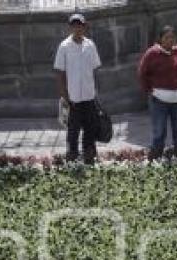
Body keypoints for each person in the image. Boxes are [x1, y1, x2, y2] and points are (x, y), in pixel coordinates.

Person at [54, 13, 102, 164]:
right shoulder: (64, 47)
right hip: (72, 97)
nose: (77, 28)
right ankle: (72, 156)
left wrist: (95, 91)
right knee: (73, 130)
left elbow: (95, 69)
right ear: (70, 27)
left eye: (80, 25)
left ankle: (89, 155)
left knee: (90, 127)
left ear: (84, 26)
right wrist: (64, 95)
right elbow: (60, 73)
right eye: (74, 25)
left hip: (88, 95)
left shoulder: (90, 45)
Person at [138, 26, 177, 160]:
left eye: (172, 37)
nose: (170, 40)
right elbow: (142, 73)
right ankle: (156, 157)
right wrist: (149, 90)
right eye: (166, 37)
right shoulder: (152, 53)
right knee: (159, 131)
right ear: (160, 39)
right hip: (159, 101)